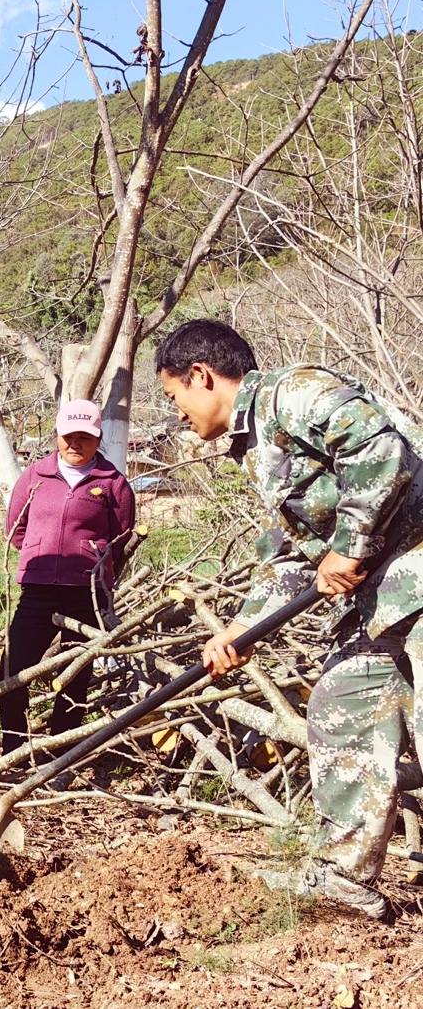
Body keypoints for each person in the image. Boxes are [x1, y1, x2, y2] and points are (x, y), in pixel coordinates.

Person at [155, 317, 423, 919]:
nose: (176, 413)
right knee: (343, 701)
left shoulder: (293, 393)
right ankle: (342, 879)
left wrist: (351, 544)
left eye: (174, 395)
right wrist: (240, 630)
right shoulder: (258, 452)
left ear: (201, 376)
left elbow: (381, 449)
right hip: (383, 600)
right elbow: (291, 559)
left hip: (419, 574)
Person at [0, 400, 136, 757]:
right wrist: (40, 551)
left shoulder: (113, 483)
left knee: (75, 674)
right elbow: (15, 529)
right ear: (57, 436)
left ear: (98, 438)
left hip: (85, 592)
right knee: (13, 668)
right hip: (37, 588)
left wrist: (91, 558)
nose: (75, 444)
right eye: (68, 437)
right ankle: (12, 747)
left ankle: (63, 752)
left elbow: (121, 536)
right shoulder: (34, 476)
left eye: (85, 438)